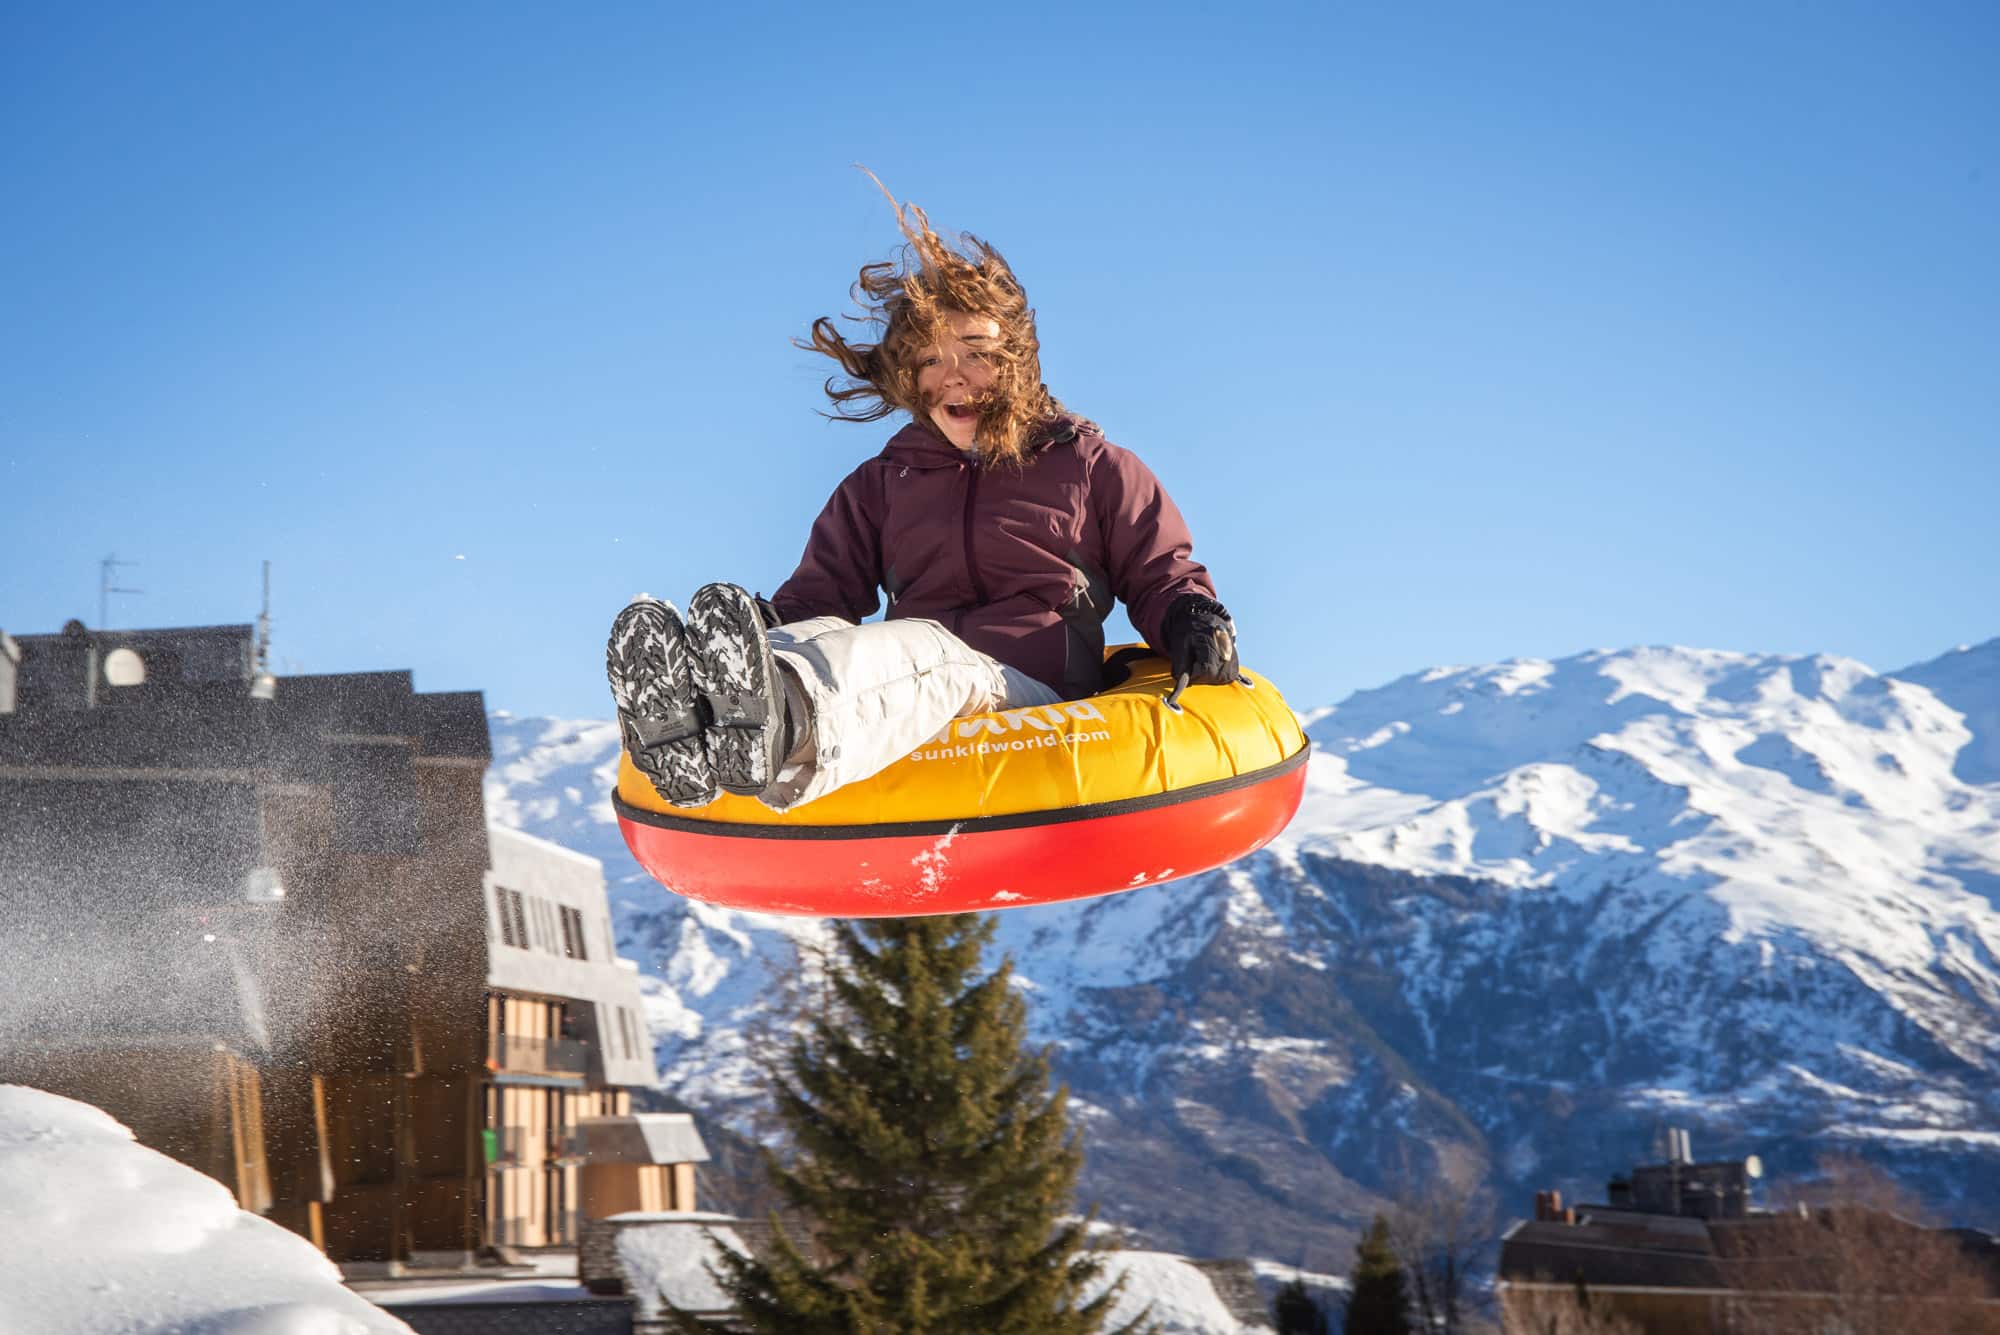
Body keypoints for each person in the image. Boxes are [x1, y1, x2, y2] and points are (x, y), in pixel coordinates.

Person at [607, 197, 1241, 812]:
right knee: (852, 641)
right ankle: (702, 718)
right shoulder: (882, 484)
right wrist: (770, 624)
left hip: (1034, 698)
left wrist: (1190, 618)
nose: (954, 375)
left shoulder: (1090, 468)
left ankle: (780, 725)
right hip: (906, 693)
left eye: (975, 352)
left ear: (1016, 359)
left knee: (929, 655)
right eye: (931, 359)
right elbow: (818, 602)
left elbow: (1162, 572)